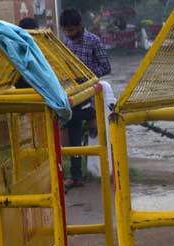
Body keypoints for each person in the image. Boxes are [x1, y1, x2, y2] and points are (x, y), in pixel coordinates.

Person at [60, 8, 111, 190]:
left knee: (72, 123)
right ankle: (76, 176)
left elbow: (106, 67)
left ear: (80, 26)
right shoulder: (66, 42)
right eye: (66, 31)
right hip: (73, 93)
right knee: (73, 134)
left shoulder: (93, 41)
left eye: (72, 31)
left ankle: (92, 116)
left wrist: (87, 76)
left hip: (90, 91)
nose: (69, 34)